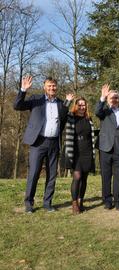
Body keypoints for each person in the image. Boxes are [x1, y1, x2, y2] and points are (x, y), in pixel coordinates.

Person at [13, 75, 73, 213]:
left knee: (52, 175)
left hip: (54, 142)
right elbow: (17, 106)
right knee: (34, 173)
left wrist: (68, 103)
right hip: (38, 142)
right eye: (49, 86)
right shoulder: (36, 100)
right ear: (44, 87)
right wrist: (23, 90)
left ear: (56, 87)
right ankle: (29, 203)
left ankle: (47, 203)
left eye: (54, 86)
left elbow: (63, 120)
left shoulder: (60, 103)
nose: (52, 88)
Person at [95, 85, 119, 211]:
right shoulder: (104, 111)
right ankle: (107, 200)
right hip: (105, 148)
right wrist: (102, 97)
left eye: (116, 97)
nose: (114, 100)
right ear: (107, 99)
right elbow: (97, 112)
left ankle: (118, 201)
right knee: (106, 176)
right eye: (111, 98)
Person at [65, 97, 97, 214]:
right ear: (76, 105)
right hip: (76, 150)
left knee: (84, 178)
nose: (82, 107)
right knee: (77, 176)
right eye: (79, 105)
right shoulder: (71, 117)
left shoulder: (89, 118)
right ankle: (74, 203)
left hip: (87, 150)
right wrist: (66, 101)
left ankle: (81, 201)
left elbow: (92, 134)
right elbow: (62, 113)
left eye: (84, 105)